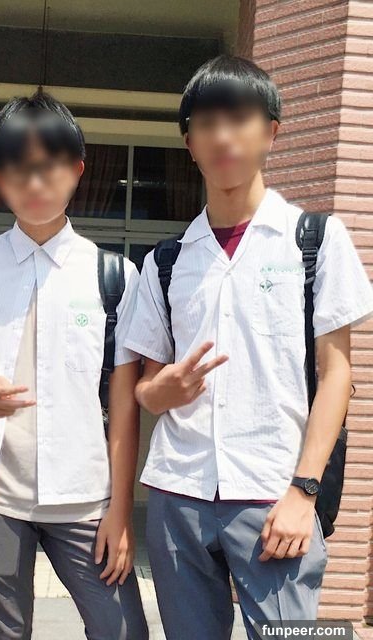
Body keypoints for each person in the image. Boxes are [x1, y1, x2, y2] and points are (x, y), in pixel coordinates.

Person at [125, 54, 373, 640]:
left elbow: (337, 376)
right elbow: (147, 390)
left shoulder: (314, 241)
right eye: (207, 124)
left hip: (274, 491)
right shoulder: (166, 261)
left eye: (239, 119)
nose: (223, 136)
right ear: (190, 143)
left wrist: (304, 491)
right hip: (178, 493)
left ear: (271, 132)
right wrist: (164, 390)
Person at [0, 92, 149, 640]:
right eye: (16, 168)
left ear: (77, 170)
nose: (34, 183)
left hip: (85, 496)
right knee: (4, 633)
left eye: (49, 166)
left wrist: (120, 511)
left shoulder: (113, 277)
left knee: (122, 629)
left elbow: (124, 407)